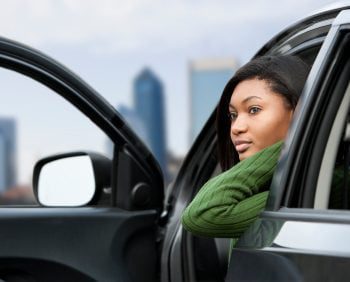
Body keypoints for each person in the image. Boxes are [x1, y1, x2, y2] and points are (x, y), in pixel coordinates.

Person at [181, 55, 310, 244]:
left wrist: (293, 145)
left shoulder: (328, 184)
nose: (236, 127)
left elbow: (202, 214)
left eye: (254, 110)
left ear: (298, 112)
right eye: (233, 115)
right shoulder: (273, 191)